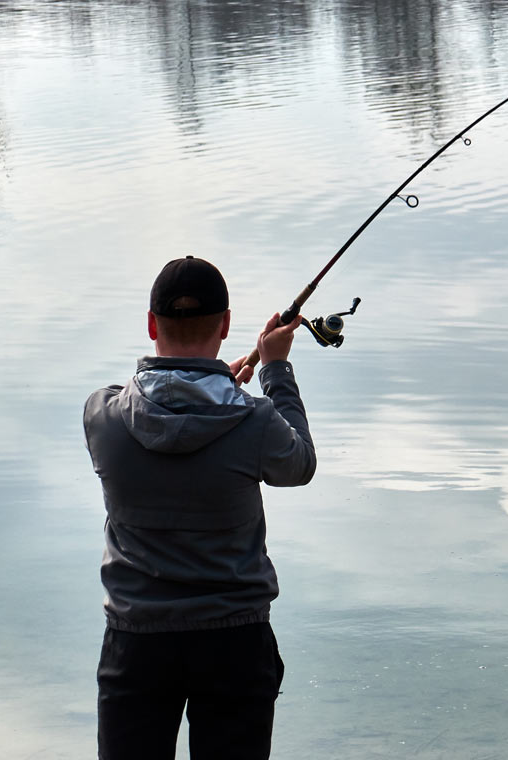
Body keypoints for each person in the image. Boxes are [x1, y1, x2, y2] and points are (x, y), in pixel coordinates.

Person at [83, 256, 317, 760]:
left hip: (136, 643)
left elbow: (171, 416)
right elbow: (298, 464)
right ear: (227, 324)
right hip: (235, 642)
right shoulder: (255, 422)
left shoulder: (102, 415)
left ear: (151, 325)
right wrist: (273, 369)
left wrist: (216, 389)